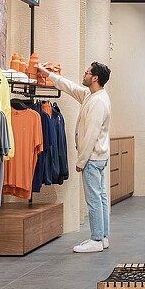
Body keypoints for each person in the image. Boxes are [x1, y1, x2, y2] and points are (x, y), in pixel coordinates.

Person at [38, 62, 112, 253]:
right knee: (100, 197)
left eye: (87, 72)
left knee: (94, 199)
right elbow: (70, 87)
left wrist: (81, 161)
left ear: (95, 78)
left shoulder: (98, 102)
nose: (84, 75)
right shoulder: (91, 95)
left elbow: (91, 135)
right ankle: (102, 237)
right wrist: (48, 74)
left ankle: (96, 239)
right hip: (97, 157)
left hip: (92, 158)